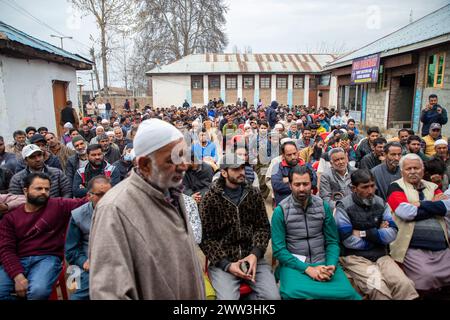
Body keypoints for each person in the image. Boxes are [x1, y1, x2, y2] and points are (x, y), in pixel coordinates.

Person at [89, 119, 204, 299]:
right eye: (172, 158)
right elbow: (108, 292)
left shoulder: (172, 191)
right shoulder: (113, 209)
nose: (184, 165)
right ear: (144, 165)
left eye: (183, 155)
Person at [271, 165, 361, 300]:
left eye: (305, 184)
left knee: (347, 294)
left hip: (323, 262)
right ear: (290, 186)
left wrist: (331, 264)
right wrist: (308, 269)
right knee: (292, 293)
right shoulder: (281, 211)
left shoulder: (322, 206)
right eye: (297, 184)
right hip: (295, 265)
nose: (301, 188)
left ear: (311, 185)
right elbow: (279, 250)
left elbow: (332, 241)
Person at [200, 152, 280, 300]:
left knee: (273, 297)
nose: (242, 172)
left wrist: (255, 254)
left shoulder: (253, 193)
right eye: (236, 169)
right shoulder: (210, 199)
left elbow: (262, 227)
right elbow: (206, 238)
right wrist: (226, 265)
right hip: (224, 261)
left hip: (253, 257)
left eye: (243, 168)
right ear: (224, 172)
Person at [0, 172, 87, 300]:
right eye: (38, 188)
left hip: (47, 258)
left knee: (37, 292)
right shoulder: (10, 218)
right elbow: (6, 249)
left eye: (47, 189)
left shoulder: (58, 205)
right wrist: (17, 275)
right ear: (25, 191)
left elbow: (85, 202)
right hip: (18, 259)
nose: (43, 192)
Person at [335, 169, 418, 300]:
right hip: (355, 258)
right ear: (354, 188)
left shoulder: (380, 203)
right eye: (365, 187)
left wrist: (364, 233)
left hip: (381, 255)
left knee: (404, 285)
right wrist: (378, 235)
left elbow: (392, 233)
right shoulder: (344, 207)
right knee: (378, 289)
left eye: (372, 186)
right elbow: (348, 240)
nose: (370, 191)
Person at [387, 153, 450, 294]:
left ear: (423, 170)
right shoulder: (395, 187)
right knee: (426, 276)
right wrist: (434, 205)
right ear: (402, 171)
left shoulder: (432, 187)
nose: (413, 172)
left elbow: (448, 206)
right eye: (408, 169)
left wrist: (419, 204)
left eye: (416, 168)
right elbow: (406, 212)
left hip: (440, 246)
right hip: (411, 247)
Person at [65, 176, 112, 300]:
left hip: (115, 262)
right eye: (100, 194)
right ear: (89, 195)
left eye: (109, 194)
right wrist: (84, 262)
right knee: (76, 296)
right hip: (88, 263)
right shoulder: (78, 215)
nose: (106, 198)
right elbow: (71, 250)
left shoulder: (120, 210)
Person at [271, 141, 306, 205]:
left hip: (304, 205)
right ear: (283, 156)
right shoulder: (276, 167)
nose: (293, 157)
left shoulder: (306, 165)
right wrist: (303, 182)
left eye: (294, 153)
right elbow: (277, 186)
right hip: (285, 205)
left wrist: (289, 179)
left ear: (298, 152)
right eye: (289, 155)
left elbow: (313, 182)